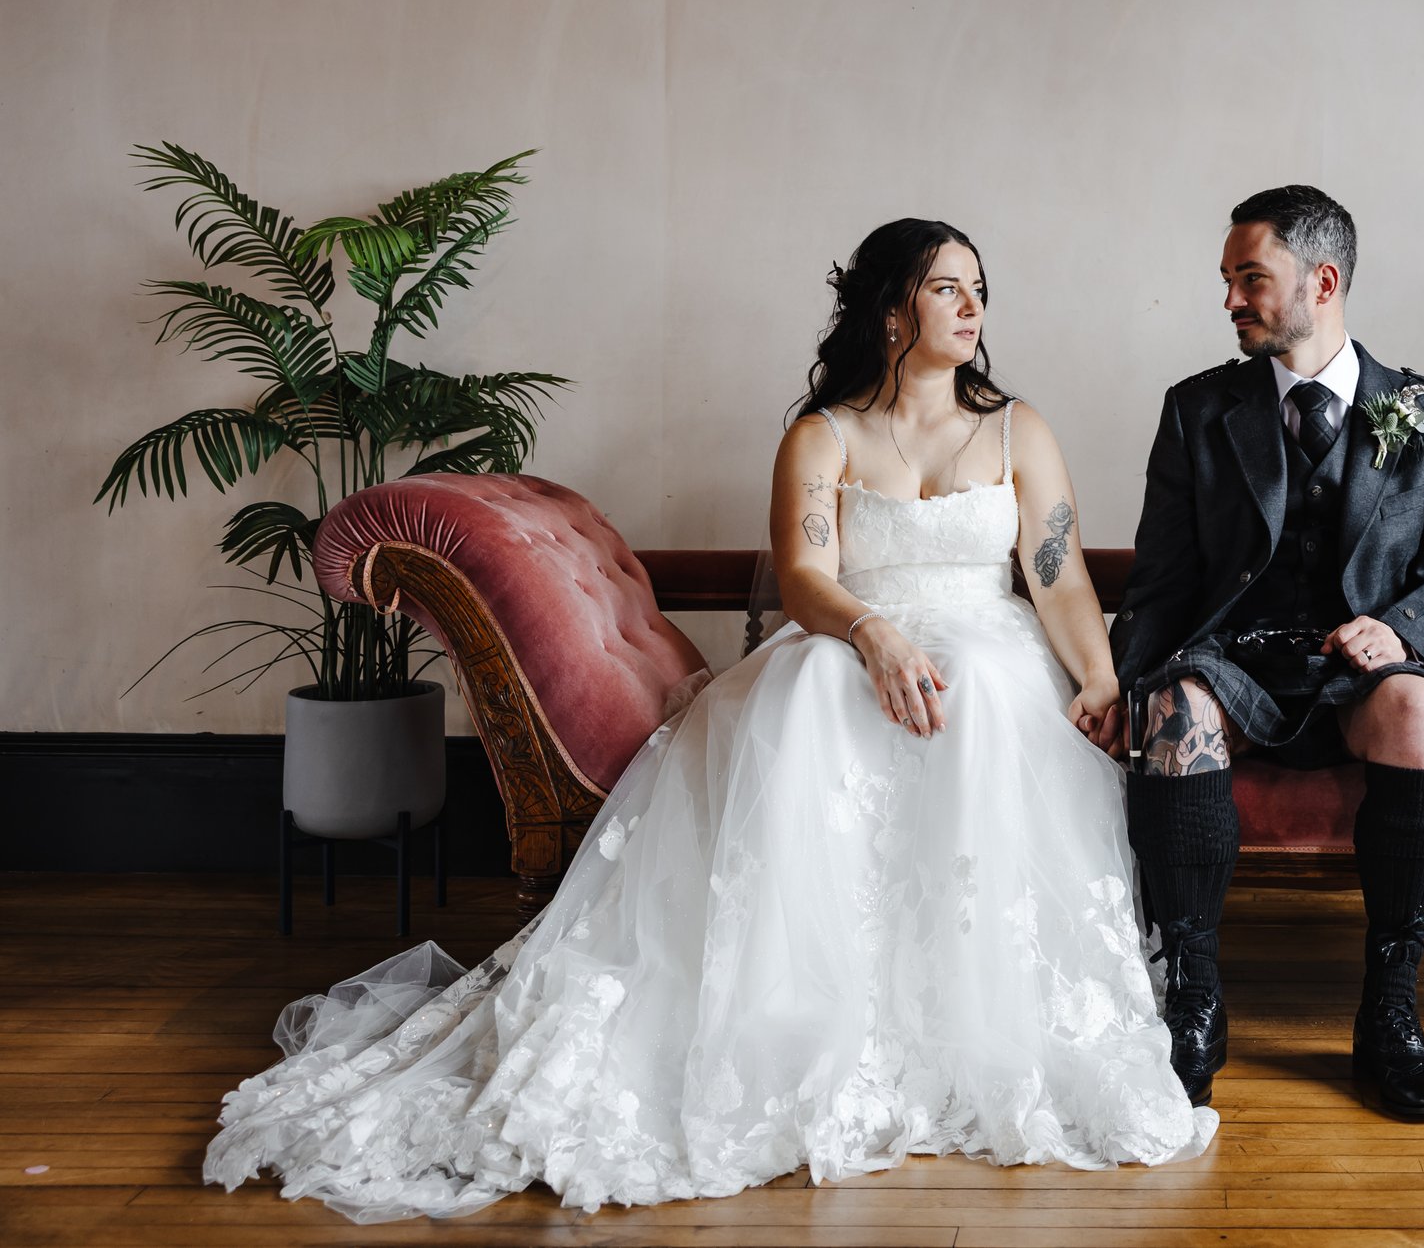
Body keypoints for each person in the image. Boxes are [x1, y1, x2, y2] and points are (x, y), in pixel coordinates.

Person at [204, 219, 1216, 1222]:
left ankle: (985, 1028)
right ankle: (803, 1020)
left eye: (976, 286)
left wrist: (1094, 674)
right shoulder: (821, 434)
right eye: (946, 286)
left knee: (992, 690)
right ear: (891, 309)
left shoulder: (1016, 429)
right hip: (851, 633)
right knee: (819, 692)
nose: (971, 305)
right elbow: (809, 577)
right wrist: (872, 636)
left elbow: (1056, 574)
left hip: (985, 649)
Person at [1111, 185, 1424, 1121]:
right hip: (1241, 664)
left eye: (1250, 279)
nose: (1230, 300)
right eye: (1226, 280)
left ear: (1323, 281)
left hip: (1363, 677)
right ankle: (1193, 1004)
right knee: (1173, 707)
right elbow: (1161, 581)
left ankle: (1389, 1012)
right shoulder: (1196, 410)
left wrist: (1401, 632)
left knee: (1418, 705)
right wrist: (1125, 681)